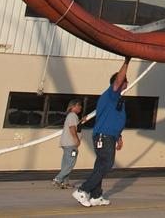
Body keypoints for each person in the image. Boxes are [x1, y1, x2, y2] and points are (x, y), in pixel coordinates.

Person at [73, 57, 131, 208]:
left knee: (100, 166)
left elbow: (115, 119)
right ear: (118, 83)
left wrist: (119, 136)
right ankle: (82, 190)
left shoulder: (117, 99)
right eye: (126, 81)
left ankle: (96, 196)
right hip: (103, 136)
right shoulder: (111, 94)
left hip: (109, 136)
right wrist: (127, 61)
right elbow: (118, 80)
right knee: (107, 164)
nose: (128, 83)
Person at [51, 98, 82, 189]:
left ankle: (65, 182)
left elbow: (75, 125)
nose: (81, 107)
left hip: (66, 143)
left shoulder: (71, 116)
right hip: (71, 144)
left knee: (66, 163)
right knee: (70, 163)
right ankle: (58, 179)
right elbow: (72, 128)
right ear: (74, 106)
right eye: (79, 105)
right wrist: (76, 140)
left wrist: (81, 121)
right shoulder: (73, 115)